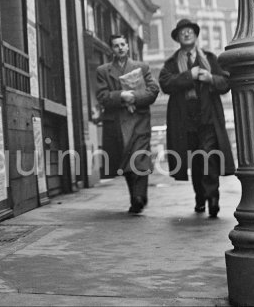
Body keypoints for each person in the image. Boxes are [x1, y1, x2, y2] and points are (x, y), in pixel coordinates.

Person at [159, 19, 234, 218]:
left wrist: (211, 78)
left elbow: (226, 82)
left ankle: (213, 198)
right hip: (185, 121)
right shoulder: (172, 63)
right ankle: (200, 197)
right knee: (196, 160)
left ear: (195, 34)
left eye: (190, 31)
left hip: (208, 118)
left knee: (209, 155)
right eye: (182, 32)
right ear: (177, 38)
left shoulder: (210, 58)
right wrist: (188, 76)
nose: (186, 34)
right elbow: (165, 83)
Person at [96, 34, 159, 214]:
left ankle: (138, 197)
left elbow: (154, 90)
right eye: (116, 45)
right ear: (112, 50)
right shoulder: (103, 71)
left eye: (123, 44)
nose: (120, 48)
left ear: (128, 47)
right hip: (118, 123)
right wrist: (120, 96)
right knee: (127, 161)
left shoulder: (142, 67)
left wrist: (135, 97)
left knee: (139, 158)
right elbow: (102, 96)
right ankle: (136, 196)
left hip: (139, 120)